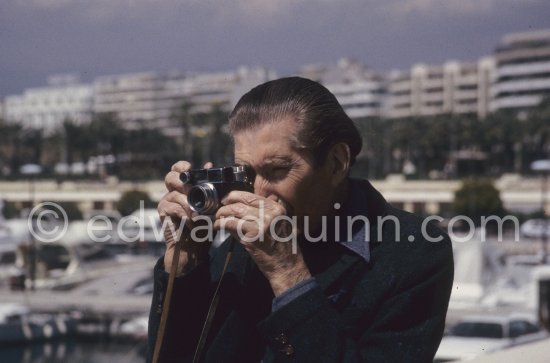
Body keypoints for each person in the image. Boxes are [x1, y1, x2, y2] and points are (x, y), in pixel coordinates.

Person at [148, 77, 454, 362]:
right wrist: (184, 262)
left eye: (277, 170)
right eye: (247, 174)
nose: (259, 193)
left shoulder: (416, 253)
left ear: (336, 163)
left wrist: (288, 274)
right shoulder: (241, 244)